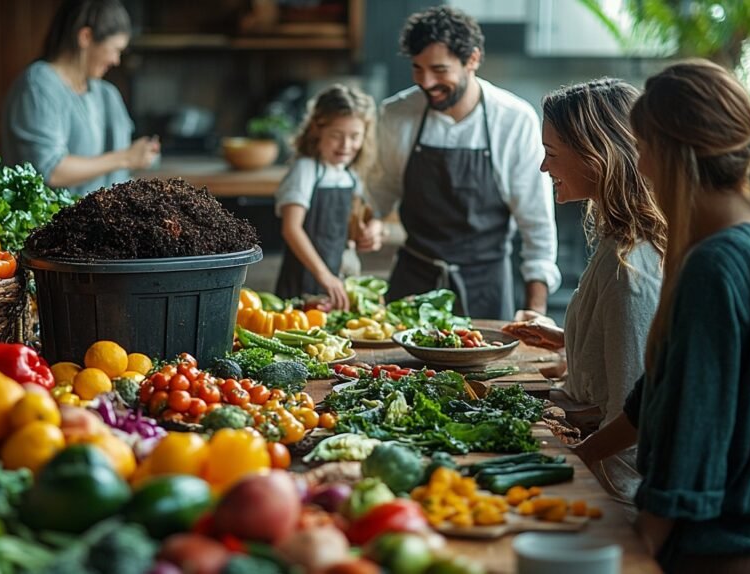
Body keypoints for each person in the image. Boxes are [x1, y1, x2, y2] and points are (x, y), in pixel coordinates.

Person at [576, 60, 750, 572]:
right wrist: (577, 457)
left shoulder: (716, 265)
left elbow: (695, 436)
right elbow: (657, 399)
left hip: (714, 547)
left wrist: (639, 547)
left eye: (642, 148)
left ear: (670, 152)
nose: (638, 165)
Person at [502, 79, 666, 501]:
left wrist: (573, 462)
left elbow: (632, 414)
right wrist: (566, 340)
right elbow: (628, 356)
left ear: (597, 158)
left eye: (552, 154)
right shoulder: (619, 240)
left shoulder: (630, 267)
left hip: (613, 492)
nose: (543, 167)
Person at [367, 5, 560, 319]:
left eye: (439, 70)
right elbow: (381, 190)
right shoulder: (396, 114)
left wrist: (536, 308)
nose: (426, 82)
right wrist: (369, 220)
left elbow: (536, 223)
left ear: (472, 59)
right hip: (413, 285)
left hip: (486, 286)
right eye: (418, 68)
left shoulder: (514, 120)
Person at [2, 0, 160, 196]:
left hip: (102, 223)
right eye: (115, 49)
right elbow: (50, 170)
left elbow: (118, 171)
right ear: (86, 37)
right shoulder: (39, 85)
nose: (116, 60)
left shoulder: (106, 93)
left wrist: (141, 155)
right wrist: (126, 157)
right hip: (51, 224)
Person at [274, 84, 383, 309]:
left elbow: (370, 213)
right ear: (317, 129)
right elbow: (291, 228)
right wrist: (324, 276)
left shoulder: (350, 175)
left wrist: (375, 228)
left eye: (355, 136)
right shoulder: (306, 169)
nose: (346, 145)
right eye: (336, 135)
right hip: (303, 283)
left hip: (336, 285)